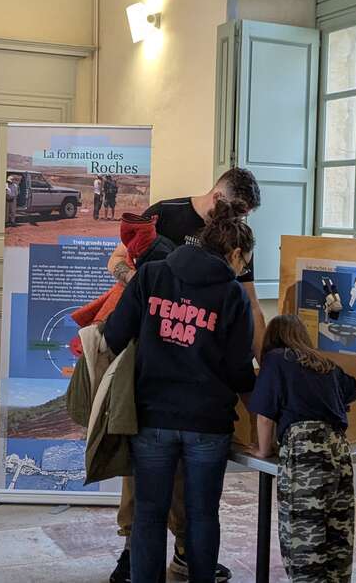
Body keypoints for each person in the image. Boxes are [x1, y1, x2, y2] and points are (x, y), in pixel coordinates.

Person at [106, 167, 264, 583]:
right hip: (208, 423)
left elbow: (115, 336)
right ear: (233, 253)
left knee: (149, 513)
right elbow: (237, 367)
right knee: (202, 515)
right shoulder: (231, 293)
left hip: (152, 415)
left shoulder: (153, 275)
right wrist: (260, 404)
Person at [248, 315, 356, 583]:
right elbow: (352, 391)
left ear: (273, 338)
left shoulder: (275, 360)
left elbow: (265, 417)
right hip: (339, 448)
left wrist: (264, 450)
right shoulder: (324, 363)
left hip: (305, 449)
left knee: (304, 538)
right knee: (337, 534)